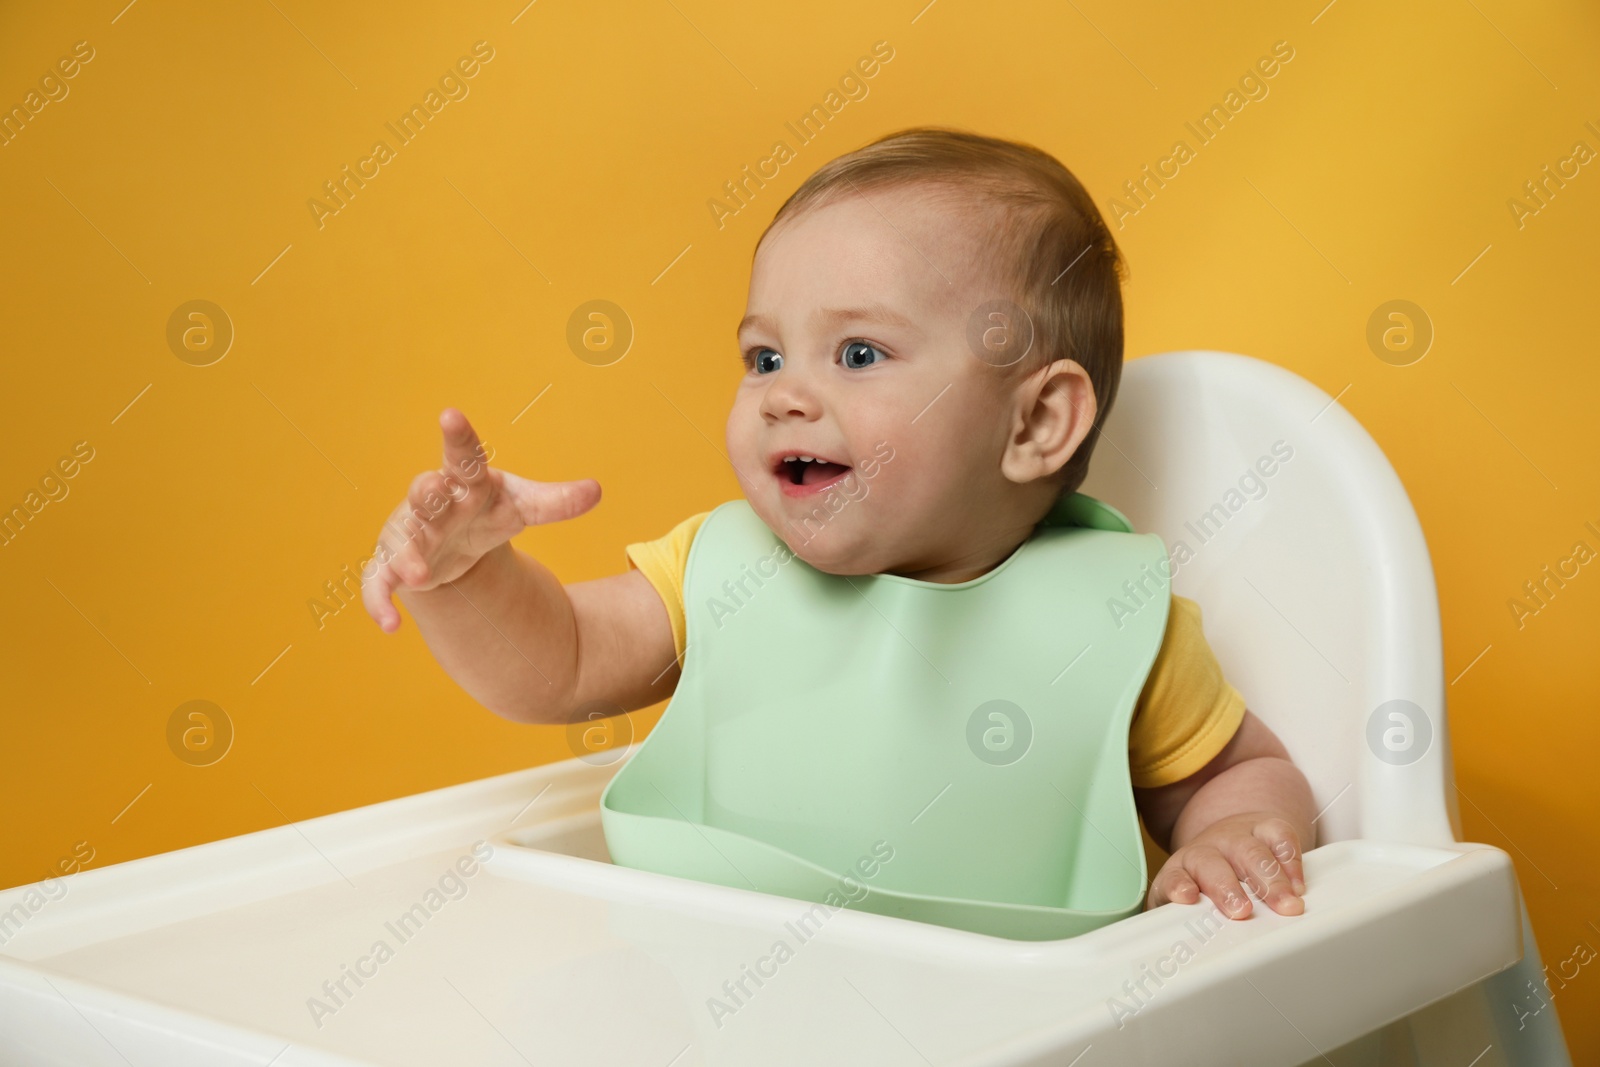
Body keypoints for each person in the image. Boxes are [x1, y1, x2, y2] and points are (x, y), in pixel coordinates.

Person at [361, 126, 1315, 929]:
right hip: (718, 1002)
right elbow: (558, 663)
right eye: (763, 355)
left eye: (858, 352)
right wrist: (466, 575)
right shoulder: (724, 569)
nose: (784, 395)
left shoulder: (1109, 620)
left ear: (1033, 423)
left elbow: (1243, 772)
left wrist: (1232, 836)